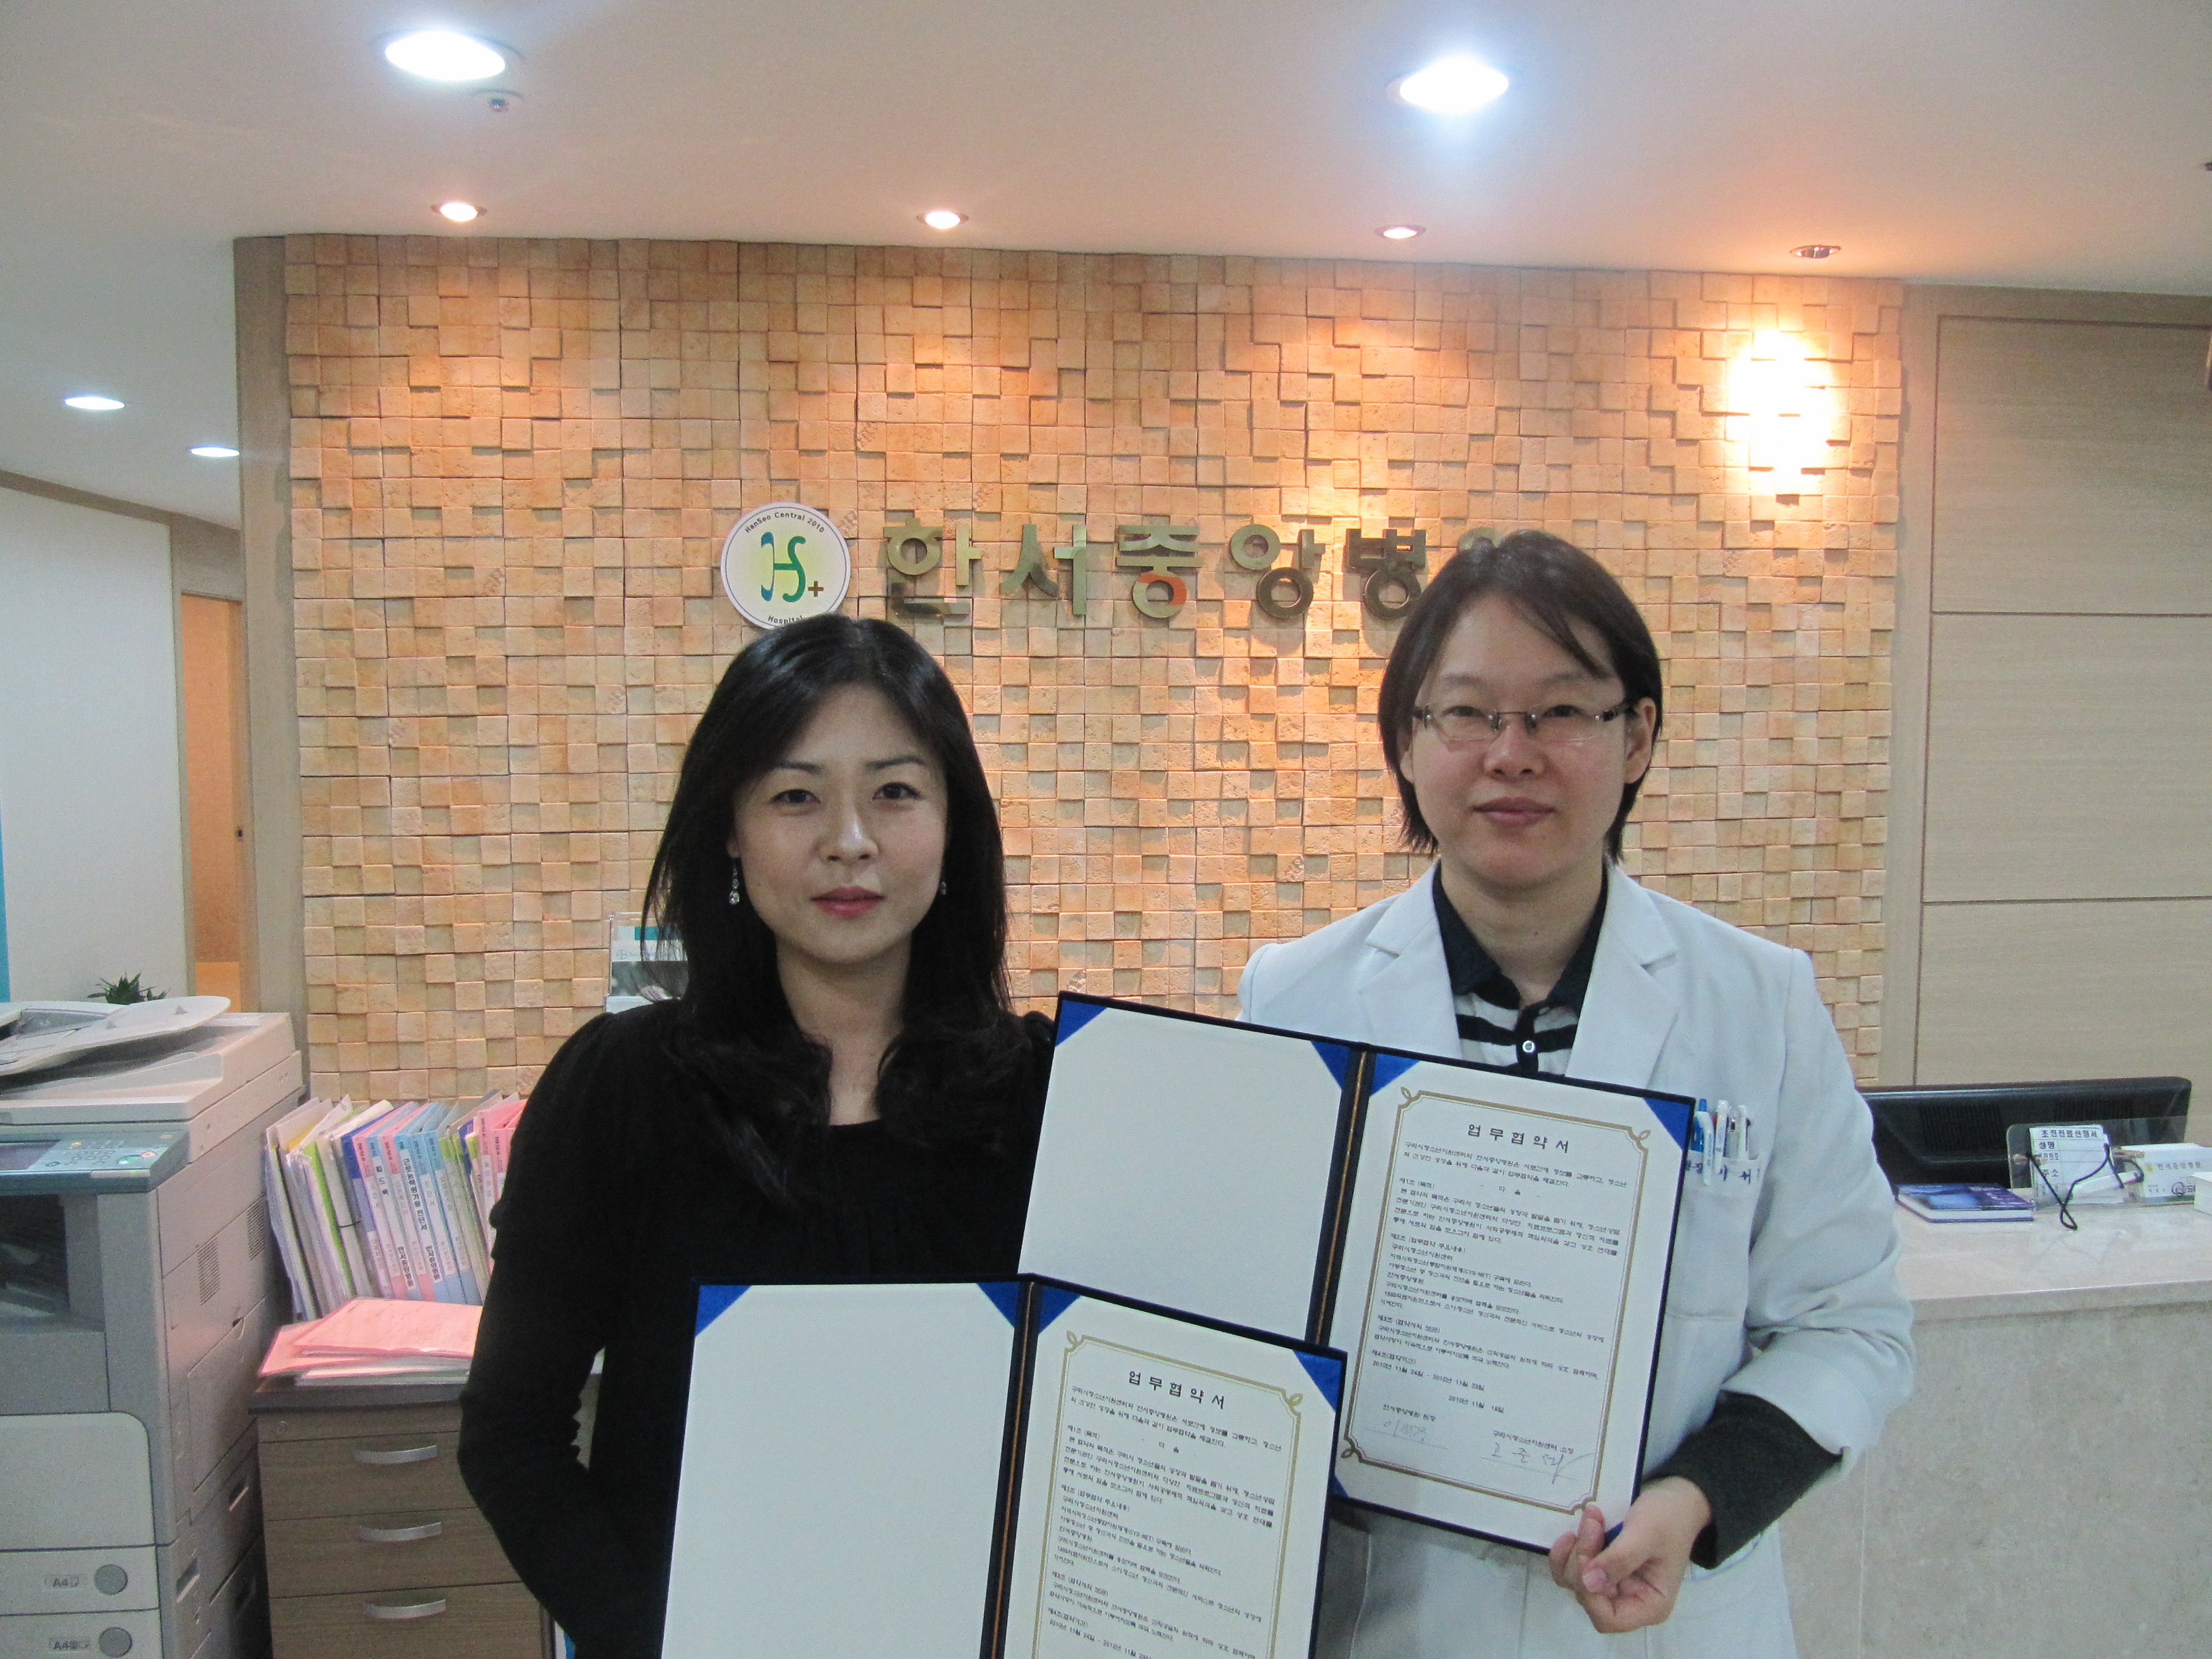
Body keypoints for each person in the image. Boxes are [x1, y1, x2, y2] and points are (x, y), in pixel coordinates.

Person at [1239, 531, 1912, 1657]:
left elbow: (1850, 1328)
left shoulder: (1761, 1005)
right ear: (1406, 740)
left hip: (1665, 1624)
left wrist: (1694, 1500)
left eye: (1559, 713)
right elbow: (1244, 1315)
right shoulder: (1293, 998)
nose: (1512, 756)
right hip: (1393, 1620)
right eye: (1467, 714)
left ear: (1635, 736)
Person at [459, 615, 1052, 1659]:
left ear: (954, 824)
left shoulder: (1050, 1099)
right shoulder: (622, 1090)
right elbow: (512, 1437)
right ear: (730, 828)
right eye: (795, 796)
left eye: (895, 792)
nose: (849, 840)